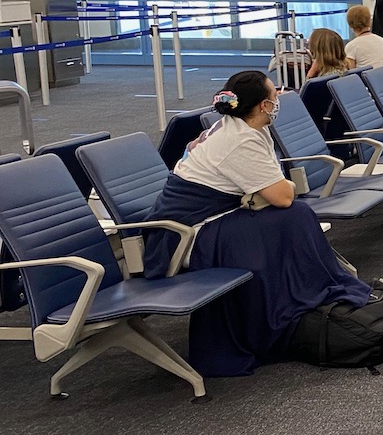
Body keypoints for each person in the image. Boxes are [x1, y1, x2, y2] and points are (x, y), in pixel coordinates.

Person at [141, 70, 371, 378]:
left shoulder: (244, 127)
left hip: (212, 219)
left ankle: (307, 300)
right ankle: (294, 309)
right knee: (294, 215)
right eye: (275, 95)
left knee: (292, 220)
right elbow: (282, 195)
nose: (279, 99)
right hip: (186, 236)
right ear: (263, 105)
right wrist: (284, 186)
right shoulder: (238, 139)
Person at [344, 4, 383, 69]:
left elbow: (350, 73)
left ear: (350, 25)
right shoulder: (381, 40)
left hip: (369, 78)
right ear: (369, 21)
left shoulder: (352, 46)